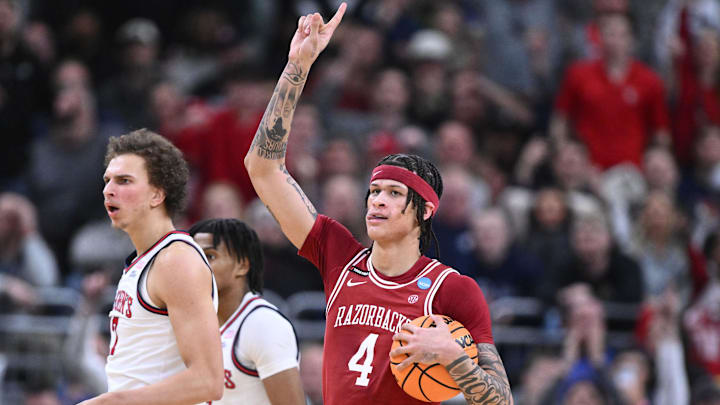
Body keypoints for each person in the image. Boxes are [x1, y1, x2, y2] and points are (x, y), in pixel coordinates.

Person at [244, 4, 513, 404]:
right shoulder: (338, 254)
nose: (377, 202)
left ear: (425, 211)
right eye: (373, 192)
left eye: (393, 193)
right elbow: (262, 167)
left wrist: (456, 359)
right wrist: (297, 67)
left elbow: (502, 400)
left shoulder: (453, 290)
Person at [79, 129, 223, 404]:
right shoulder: (143, 260)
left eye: (124, 181)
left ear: (157, 195)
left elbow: (207, 381)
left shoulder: (176, 260)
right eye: (107, 180)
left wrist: (111, 401)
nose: (108, 189)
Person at [188, 218, 305, 405]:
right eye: (193, 256)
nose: (196, 265)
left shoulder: (263, 324)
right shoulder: (191, 325)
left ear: (242, 265)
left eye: (209, 256)